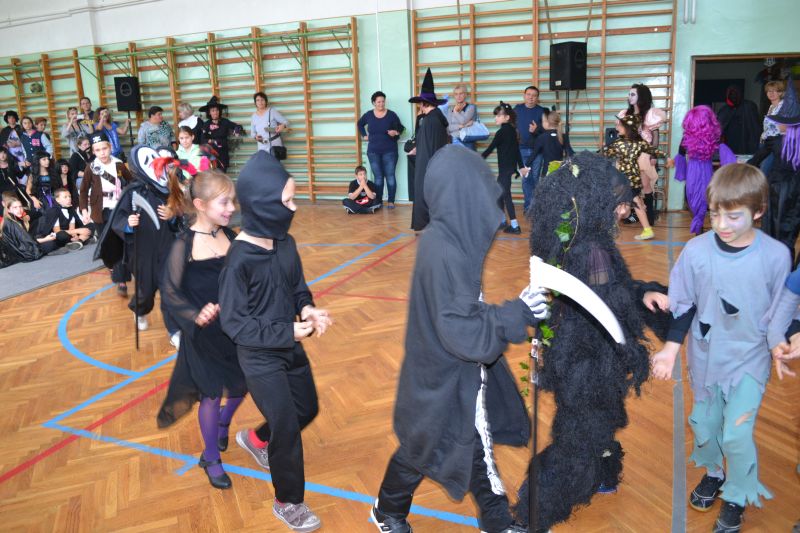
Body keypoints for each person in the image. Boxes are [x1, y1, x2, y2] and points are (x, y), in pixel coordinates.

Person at [370, 145, 548, 533]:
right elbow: (460, 330)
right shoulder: (444, 251)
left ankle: (495, 520)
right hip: (441, 373)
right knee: (424, 447)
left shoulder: (451, 242)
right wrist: (515, 314)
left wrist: (515, 309)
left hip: (452, 370)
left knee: (462, 441)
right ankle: (387, 510)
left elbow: (465, 312)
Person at [513, 151, 670, 531]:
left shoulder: (573, 239)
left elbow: (609, 294)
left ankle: (604, 473)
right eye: (620, 203)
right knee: (580, 435)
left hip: (574, 349)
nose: (625, 210)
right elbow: (612, 304)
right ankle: (533, 514)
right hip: (589, 357)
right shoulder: (593, 250)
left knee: (594, 419)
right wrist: (644, 297)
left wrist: (643, 292)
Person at [651, 163, 795, 533]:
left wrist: (783, 341)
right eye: (715, 214)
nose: (721, 224)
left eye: (733, 216)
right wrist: (670, 349)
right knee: (705, 424)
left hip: (750, 360)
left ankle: (737, 495)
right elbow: (684, 305)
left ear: (758, 211)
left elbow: (785, 308)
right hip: (705, 359)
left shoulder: (776, 256)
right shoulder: (696, 251)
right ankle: (715, 473)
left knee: (736, 433)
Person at [219, 150, 332, 533]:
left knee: (307, 409)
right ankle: (289, 501)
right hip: (259, 357)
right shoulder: (239, 261)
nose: (294, 207)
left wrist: (308, 310)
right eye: (288, 200)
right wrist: (286, 332)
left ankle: (256, 439)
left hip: (289, 345)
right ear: (264, 203)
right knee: (287, 427)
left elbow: (297, 288)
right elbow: (235, 325)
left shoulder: (285, 243)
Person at [156, 169, 247, 490]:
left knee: (241, 385)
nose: (232, 207)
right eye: (224, 202)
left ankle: (223, 423)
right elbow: (169, 292)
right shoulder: (183, 245)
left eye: (232, 201)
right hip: (202, 336)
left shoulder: (231, 237)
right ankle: (211, 457)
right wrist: (195, 315)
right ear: (200, 205)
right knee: (210, 395)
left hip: (233, 330)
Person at [96, 146, 182, 332]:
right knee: (146, 290)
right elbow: (118, 219)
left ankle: (174, 330)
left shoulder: (167, 188)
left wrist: (172, 214)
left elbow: (180, 213)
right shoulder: (131, 192)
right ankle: (139, 309)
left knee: (170, 289)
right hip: (142, 251)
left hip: (167, 247)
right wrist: (128, 223)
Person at [601, 113, 671, 240]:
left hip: (625, 180)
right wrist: (667, 157)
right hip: (634, 179)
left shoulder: (619, 144)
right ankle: (646, 229)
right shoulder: (638, 143)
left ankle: (610, 231)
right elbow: (654, 151)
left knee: (623, 205)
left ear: (627, 129)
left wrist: (589, 158)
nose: (616, 128)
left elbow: (604, 153)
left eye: (619, 126)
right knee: (633, 203)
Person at [79, 131, 134, 295]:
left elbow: (131, 182)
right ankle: (114, 268)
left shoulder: (119, 165)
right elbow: (83, 191)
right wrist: (84, 210)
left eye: (104, 148)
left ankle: (121, 280)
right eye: (98, 150)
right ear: (93, 151)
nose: (102, 153)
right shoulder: (91, 167)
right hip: (100, 212)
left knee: (119, 243)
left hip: (118, 209)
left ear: (110, 147)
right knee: (107, 246)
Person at [674, 106, 736, 236]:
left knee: (697, 198)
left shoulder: (696, 138)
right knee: (699, 199)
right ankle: (700, 226)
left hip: (695, 171)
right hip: (703, 170)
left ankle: (699, 227)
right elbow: (681, 154)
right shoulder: (709, 137)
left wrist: (681, 172)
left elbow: (681, 155)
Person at [760, 75, 800, 265]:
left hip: (788, 192)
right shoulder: (776, 141)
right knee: (780, 226)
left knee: (786, 226)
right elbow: (760, 155)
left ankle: (783, 262)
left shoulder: (783, 143)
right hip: (780, 190)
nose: (778, 124)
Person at [617, 84, 667, 226]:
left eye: (633, 94)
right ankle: (632, 215)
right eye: (629, 94)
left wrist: (653, 155)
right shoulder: (625, 114)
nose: (629, 97)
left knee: (645, 186)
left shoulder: (650, 115)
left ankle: (649, 217)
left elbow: (655, 137)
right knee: (629, 187)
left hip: (644, 155)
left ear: (641, 96)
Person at [409, 69, 449, 232]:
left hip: (428, 166)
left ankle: (427, 224)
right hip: (438, 164)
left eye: (421, 103)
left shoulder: (429, 121)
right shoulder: (436, 118)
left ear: (425, 104)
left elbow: (427, 148)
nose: (420, 106)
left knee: (424, 192)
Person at [482, 102, 526, 234]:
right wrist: (521, 166)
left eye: (498, 116)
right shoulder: (512, 131)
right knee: (499, 195)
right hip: (508, 168)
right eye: (495, 116)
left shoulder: (501, 132)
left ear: (507, 117)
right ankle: (502, 221)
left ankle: (515, 226)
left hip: (505, 170)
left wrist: (476, 159)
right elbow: (517, 151)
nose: (495, 118)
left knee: (506, 196)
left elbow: (490, 149)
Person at [357, 91, 404, 208]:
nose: (381, 104)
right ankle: (378, 201)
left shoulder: (392, 115)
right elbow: (359, 124)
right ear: (374, 103)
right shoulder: (368, 115)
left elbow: (401, 129)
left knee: (390, 176)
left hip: (390, 151)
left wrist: (395, 132)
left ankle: (391, 201)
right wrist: (364, 135)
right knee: (378, 178)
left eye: (383, 101)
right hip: (373, 152)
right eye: (378, 102)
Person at [1, 193, 69, 261]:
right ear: (8, 209)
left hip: (24, 246)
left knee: (54, 236)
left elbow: (27, 238)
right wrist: (46, 239)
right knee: (50, 243)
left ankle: (54, 247)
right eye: (15, 207)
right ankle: (53, 249)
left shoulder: (15, 218)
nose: (19, 210)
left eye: (20, 206)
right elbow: (27, 242)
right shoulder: (11, 223)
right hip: (22, 252)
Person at [513, 86, 547, 212]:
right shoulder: (517, 109)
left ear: (537, 98)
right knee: (526, 179)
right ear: (524, 95)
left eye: (534, 95)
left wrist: (536, 130)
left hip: (537, 151)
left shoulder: (542, 111)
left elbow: (547, 130)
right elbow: (510, 126)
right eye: (528, 94)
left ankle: (535, 207)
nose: (531, 97)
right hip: (520, 150)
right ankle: (528, 206)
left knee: (535, 178)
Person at [523, 109, 566, 191]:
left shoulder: (542, 137)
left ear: (547, 123)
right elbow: (570, 153)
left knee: (546, 196)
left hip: (547, 172)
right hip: (560, 172)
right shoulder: (564, 136)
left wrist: (525, 167)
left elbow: (534, 154)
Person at [199, 96, 242, 171]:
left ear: (219, 111)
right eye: (213, 110)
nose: (215, 112)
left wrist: (237, 130)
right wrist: (212, 141)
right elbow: (202, 140)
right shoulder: (206, 124)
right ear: (209, 112)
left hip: (223, 154)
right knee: (212, 175)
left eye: (217, 110)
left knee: (222, 174)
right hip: (211, 155)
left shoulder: (225, 122)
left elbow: (238, 126)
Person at [717, 86, 761, 156]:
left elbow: (755, 127)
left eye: (735, 93)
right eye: (731, 94)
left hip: (746, 142)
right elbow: (719, 127)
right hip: (730, 142)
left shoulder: (749, 106)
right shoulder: (724, 109)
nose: (733, 96)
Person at [251, 91, 289, 157]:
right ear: (255, 103)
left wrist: (283, 126)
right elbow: (252, 133)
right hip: (262, 146)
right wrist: (255, 137)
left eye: (262, 100)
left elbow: (286, 122)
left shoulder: (272, 111)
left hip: (275, 145)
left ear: (266, 101)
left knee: (275, 163)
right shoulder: (253, 116)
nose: (260, 102)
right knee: (264, 163)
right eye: (258, 100)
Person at [0, 146, 30, 216]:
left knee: (24, 207)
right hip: (3, 193)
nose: (2, 155)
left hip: (14, 190)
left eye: (4, 153)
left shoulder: (11, 164)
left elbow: (20, 175)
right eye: (0, 153)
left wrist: (25, 167)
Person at [447, 84, 479, 149]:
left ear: (465, 95)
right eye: (456, 94)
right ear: (454, 96)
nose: (458, 96)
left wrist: (455, 111)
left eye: (461, 93)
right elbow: (448, 128)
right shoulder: (450, 109)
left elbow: (463, 121)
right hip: (454, 141)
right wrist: (461, 126)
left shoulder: (471, 107)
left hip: (467, 142)